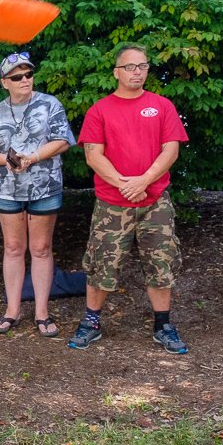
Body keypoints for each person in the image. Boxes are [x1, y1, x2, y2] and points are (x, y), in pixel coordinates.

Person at [69, 43, 189, 354]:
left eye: (142, 66)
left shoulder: (162, 106)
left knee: (161, 263)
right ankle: (91, 321)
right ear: (116, 73)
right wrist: (125, 185)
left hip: (155, 202)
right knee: (100, 263)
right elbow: (93, 156)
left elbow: (171, 150)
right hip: (112, 204)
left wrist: (144, 182)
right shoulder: (100, 110)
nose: (136, 72)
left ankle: (163, 324)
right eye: (129, 67)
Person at [0, 52, 74, 337]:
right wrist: (6, 161)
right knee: (13, 248)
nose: (25, 80)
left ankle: (42, 313)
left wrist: (31, 158)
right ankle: (13, 310)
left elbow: (63, 141)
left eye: (28, 75)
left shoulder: (50, 104)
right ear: (4, 82)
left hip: (45, 186)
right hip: (8, 188)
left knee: (42, 248)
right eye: (17, 77)